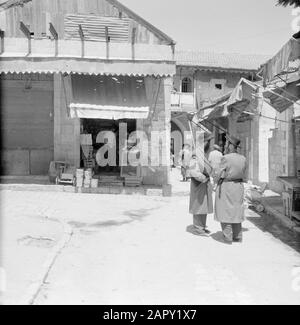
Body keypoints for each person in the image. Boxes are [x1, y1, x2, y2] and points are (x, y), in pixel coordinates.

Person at [214, 135, 247, 244]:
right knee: (237, 210)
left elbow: (218, 173)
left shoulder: (226, 158)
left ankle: (228, 236)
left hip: (227, 186)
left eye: (227, 143)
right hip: (239, 186)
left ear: (231, 146)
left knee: (225, 210)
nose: (225, 145)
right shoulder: (243, 158)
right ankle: (238, 235)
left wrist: (215, 180)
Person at [188, 133, 214, 236]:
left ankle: (202, 227)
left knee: (204, 206)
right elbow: (193, 171)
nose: (210, 144)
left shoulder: (202, 153)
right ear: (204, 142)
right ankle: (198, 228)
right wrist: (203, 178)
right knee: (198, 205)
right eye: (209, 141)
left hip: (204, 184)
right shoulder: (196, 154)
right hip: (199, 184)